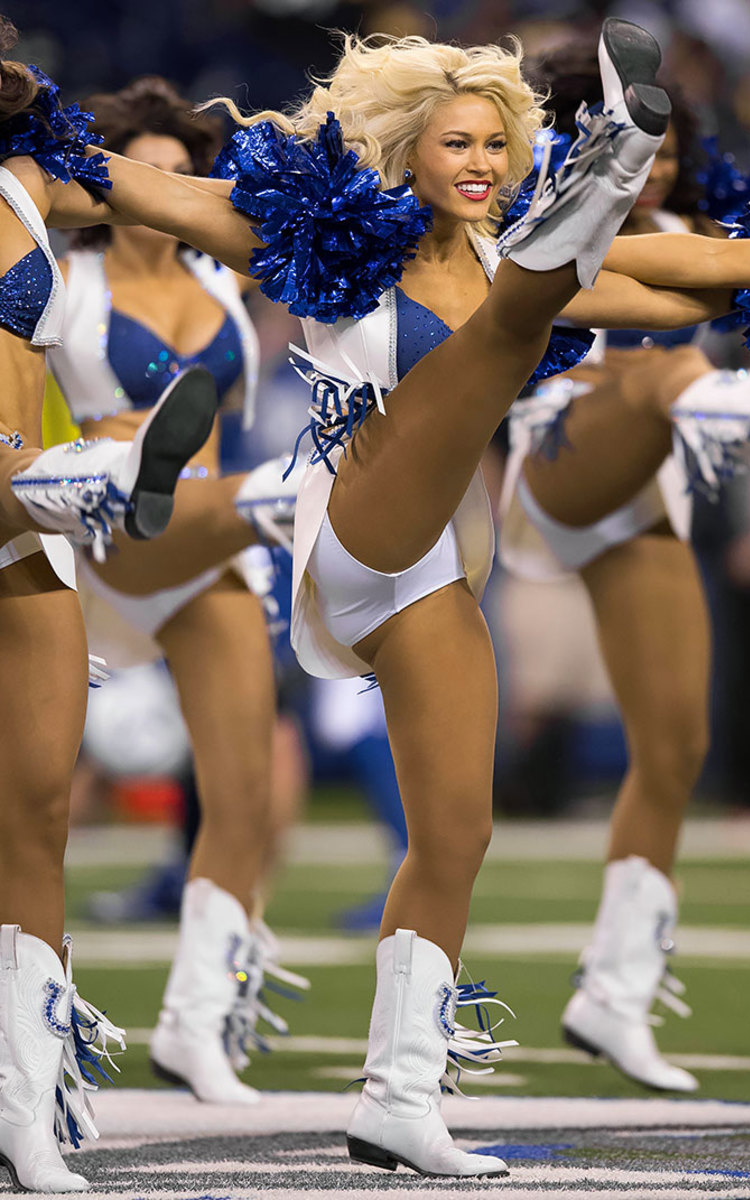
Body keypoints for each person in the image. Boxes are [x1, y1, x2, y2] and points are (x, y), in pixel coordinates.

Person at [86, 19, 691, 1177]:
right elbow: (154, 195)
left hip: (436, 569)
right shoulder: (327, 237)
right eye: (457, 142)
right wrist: (26, 122)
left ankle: (400, 1100)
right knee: (516, 324)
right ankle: (612, 157)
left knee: (458, 827)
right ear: (408, 150)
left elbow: (713, 276)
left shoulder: (515, 260)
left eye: (499, 147)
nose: (479, 164)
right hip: (354, 522)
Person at [46, 75, 308, 1107]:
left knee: (244, 796)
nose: (164, 186)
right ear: (110, 183)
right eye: (142, 170)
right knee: (35, 806)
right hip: (88, 532)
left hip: (202, 532)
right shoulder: (63, 281)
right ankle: (299, 490)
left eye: (183, 170)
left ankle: (198, 1025)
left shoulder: (225, 277)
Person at [0, 22, 217, 1194]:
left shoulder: (34, 181)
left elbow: (202, 207)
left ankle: (25, 1109)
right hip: (26, 492)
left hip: (20, 529)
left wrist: (368, 200)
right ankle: (106, 478)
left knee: (36, 817)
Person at [497, 51, 731, 1095]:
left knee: (677, 743)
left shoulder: (689, 239)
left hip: (644, 497)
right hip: (558, 466)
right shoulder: (545, 228)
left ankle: (615, 993)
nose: (661, 173)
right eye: (643, 151)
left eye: (674, 153)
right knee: (665, 374)